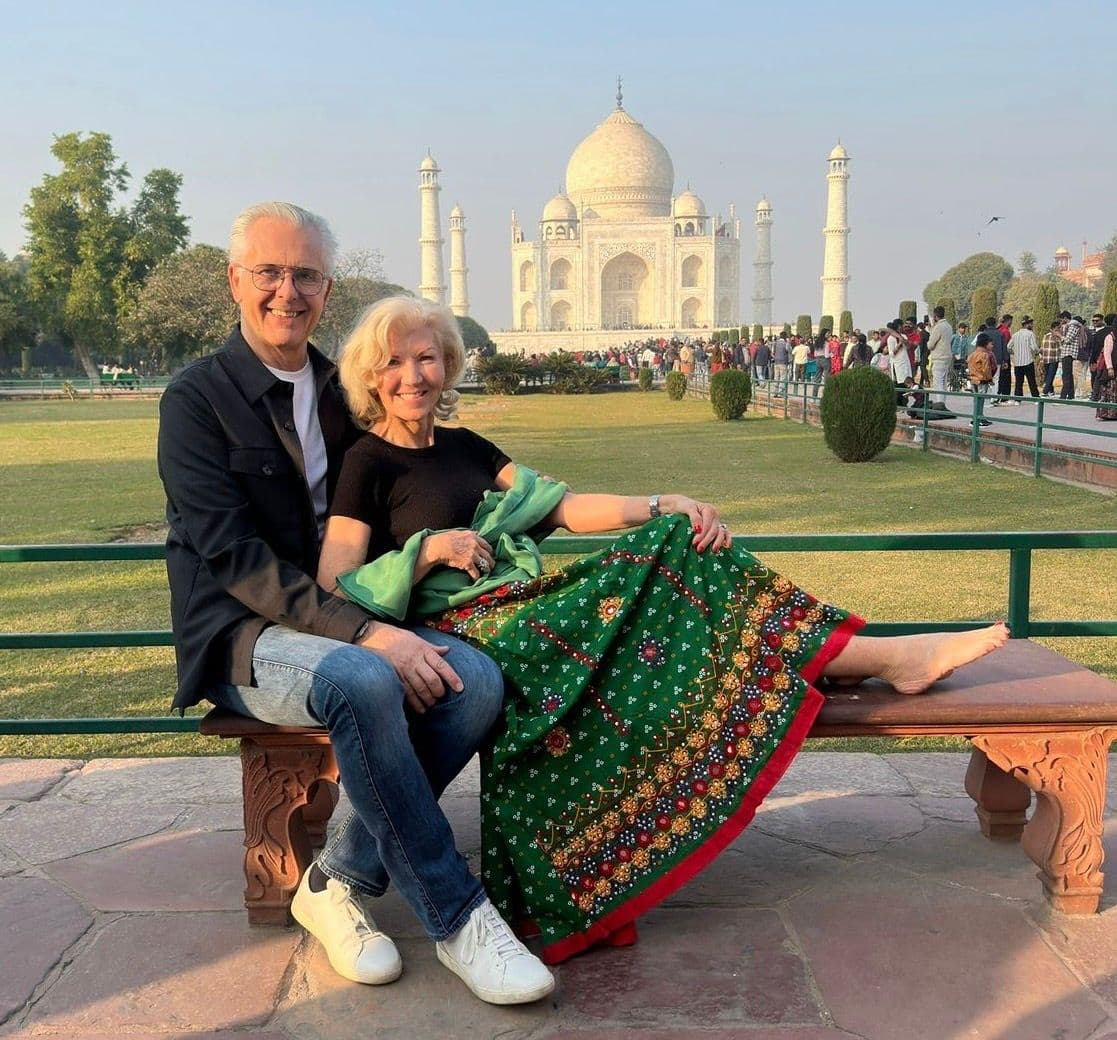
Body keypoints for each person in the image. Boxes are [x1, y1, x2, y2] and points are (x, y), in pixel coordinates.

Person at [317, 295, 1010, 967]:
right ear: (370, 375)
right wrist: (429, 550)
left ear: (449, 365)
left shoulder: (466, 447)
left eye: (427, 357)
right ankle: (870, 656)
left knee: (679, 540)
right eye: (395, 362)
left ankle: (865, 656)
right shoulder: (366, 463)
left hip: (523, 609)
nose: (413, 376)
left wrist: (659, 501)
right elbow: (336, 581)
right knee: (663, 566)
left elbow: (560, 507)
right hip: (466, 631)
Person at [157, 203, 554, 1006]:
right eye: (268, 271)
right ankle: (458, 917)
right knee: (365, 680)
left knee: (472, 682)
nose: (286, 290)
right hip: (245, 635)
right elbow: (233, 558)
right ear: (236, 280)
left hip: (349, 618)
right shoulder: (198, 400)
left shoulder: (344, 394)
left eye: (304, 274)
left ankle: (334, 881)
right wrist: (370, 633)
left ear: (325, 288)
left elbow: (411, 484)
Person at [926, 305, 954, 408]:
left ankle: (940, 405)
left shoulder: (938, 327)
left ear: (935, 316)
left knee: (938, 383)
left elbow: (930, 345)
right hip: (947, 356)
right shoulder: (948, 326)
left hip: (939, 357)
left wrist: (931, 331)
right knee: (943, 382)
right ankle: (943, 404)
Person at [966, 333, 996, 427]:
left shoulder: (972, 354)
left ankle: (977, 418)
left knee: (976, 400)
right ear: (985, 344)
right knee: (981, 400)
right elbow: (986, 369)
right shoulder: (984, 355)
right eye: (991, 344)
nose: (992, 346)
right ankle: (978, 419)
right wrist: (990, 379)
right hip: (982, 380)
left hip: (973, 380)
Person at [1007, 317, 1039, 399]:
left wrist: (1014, 353)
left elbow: (1008, 346)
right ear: (1027, 324)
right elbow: (1034, 347)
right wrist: (1037, 352)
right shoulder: (1030, 334)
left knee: (1018, 382)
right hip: (1028, 361)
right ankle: (1035, 397)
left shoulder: (1015, 335)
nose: (1032, 325)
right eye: (1031, 323)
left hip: (1018, 362)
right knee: (1031, 381)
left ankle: (1018, 399)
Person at [1096, 318, 1117, 421]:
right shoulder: (1110, 337)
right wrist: (1110, 368)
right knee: (1109, 392)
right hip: (1112, 369)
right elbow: (1107, 353)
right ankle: (1107, 414)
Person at [1040, 319, 1062, 396]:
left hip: (1049, 358)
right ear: (1052, 329)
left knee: (1049, 375)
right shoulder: (1054, 337)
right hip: (1051, 359)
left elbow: (1042, 348)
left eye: (1059, 328)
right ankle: (1045, 391)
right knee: (1049, 376)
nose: (1059, 330)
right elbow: (1060, 348)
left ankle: (1051, 391)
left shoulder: (1046, 336)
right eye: (1057, 328)